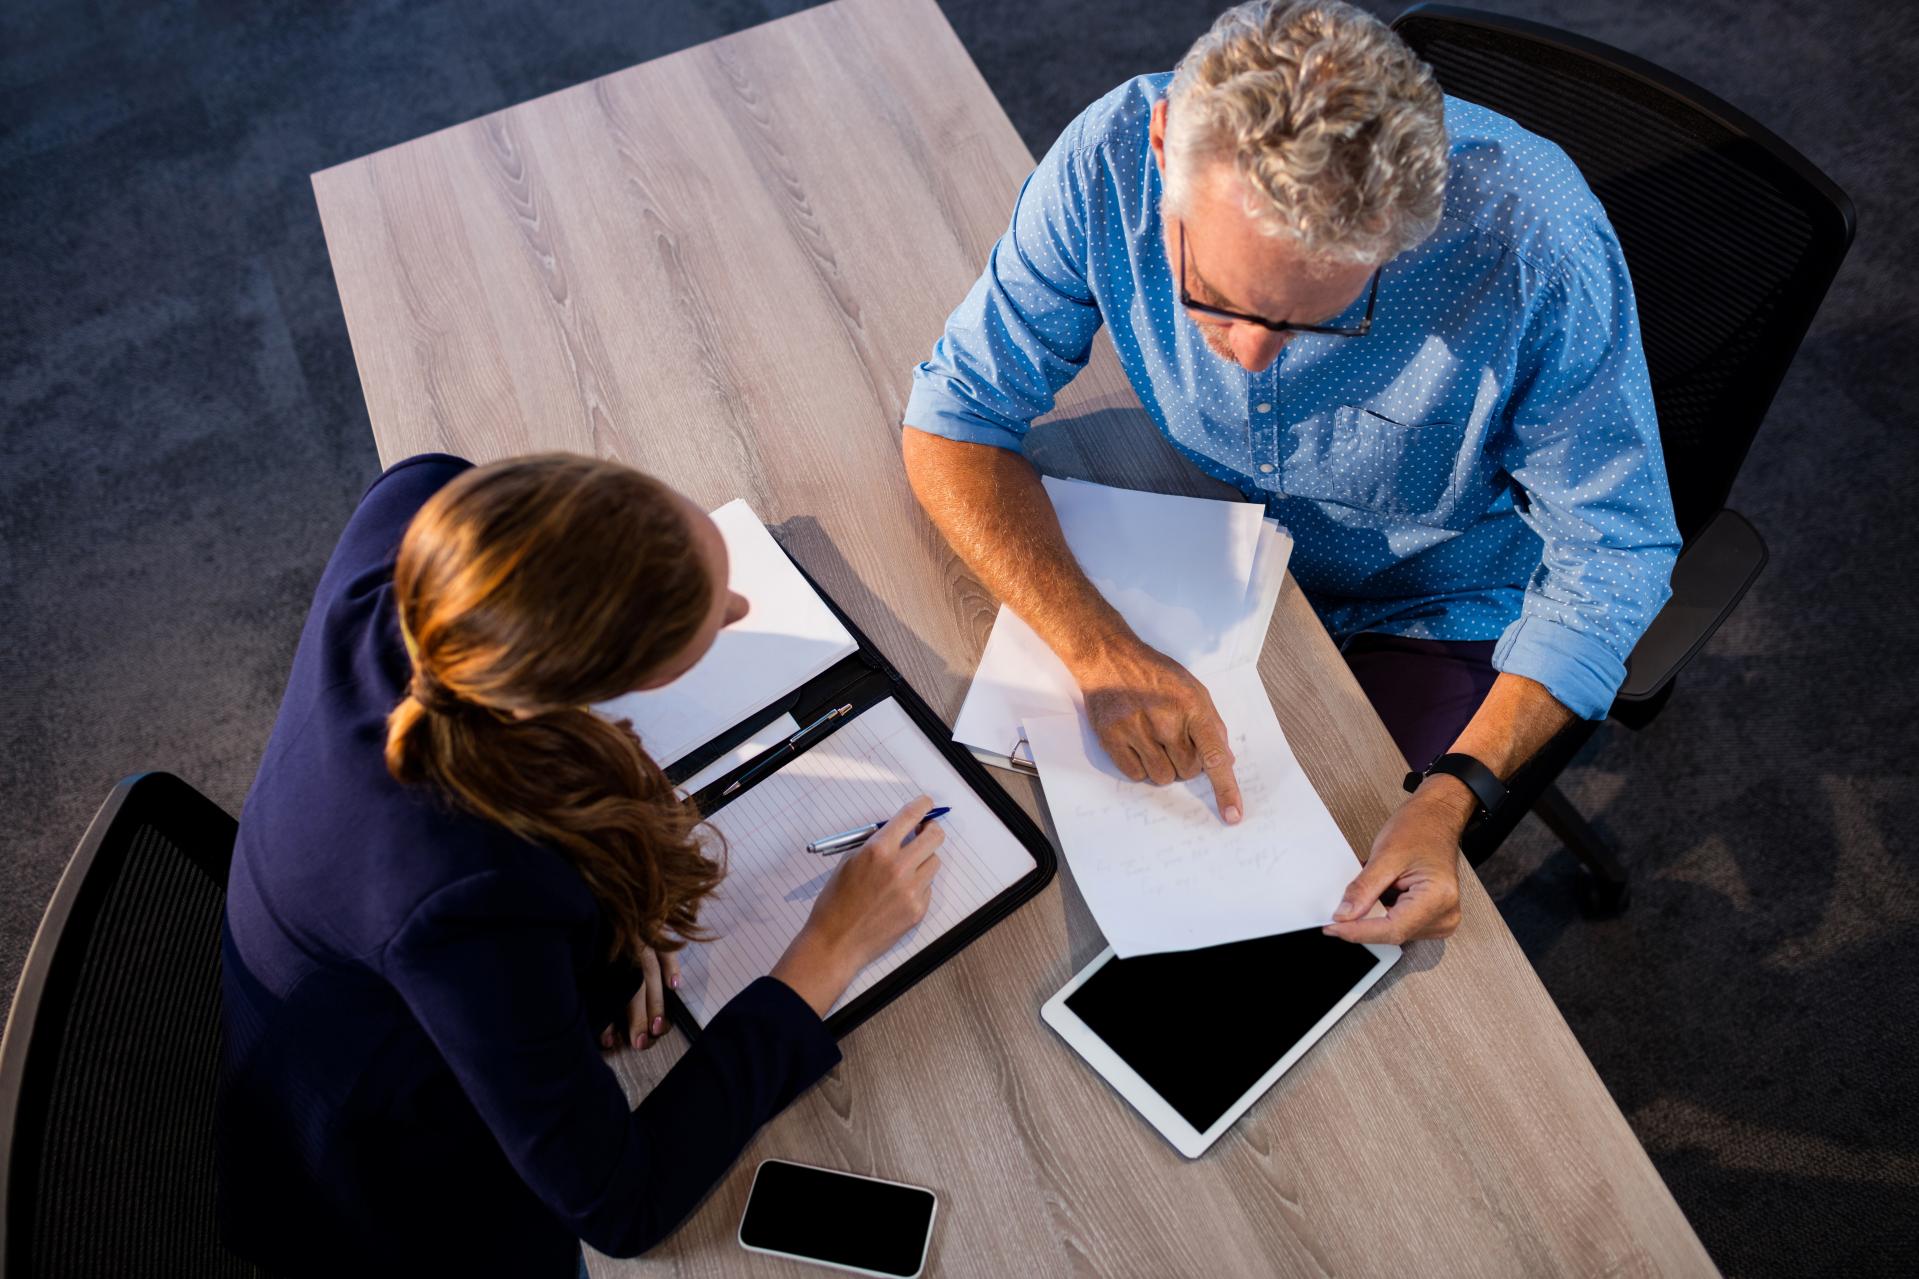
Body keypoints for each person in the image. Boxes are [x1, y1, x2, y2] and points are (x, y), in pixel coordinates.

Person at [901, 0, 1679, 947]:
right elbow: (957, 414)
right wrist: (1096, 647)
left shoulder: (1533, 245)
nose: (1255, 359)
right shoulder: (1109, 160)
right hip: (1207, 541)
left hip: (1440, 599)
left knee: (1310, 923)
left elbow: (1616, 553)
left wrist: (1452, 795)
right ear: (1161, 147)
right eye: (1218, 301)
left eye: (1316, 317)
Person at [216, 452, 943, 1275]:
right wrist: (828, 947)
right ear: (591, 684)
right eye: (712, 619)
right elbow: (623, 1204)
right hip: (378, 1143)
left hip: (338, 949)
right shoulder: (470, 896)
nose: (740, 606)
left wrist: (601, 908)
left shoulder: (420, 500)